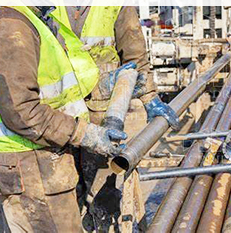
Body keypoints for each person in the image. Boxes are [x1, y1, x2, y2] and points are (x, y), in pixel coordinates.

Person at [0, 6, 178, 232]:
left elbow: (62, 81)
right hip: (34, 158)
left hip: (72, 134)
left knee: (100, 197)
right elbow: (22, 109)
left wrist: (114, 87)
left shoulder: (40, 15)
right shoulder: (14, 22)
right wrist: (84, 133)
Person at [51, 6, 180, 230]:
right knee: (63, 191)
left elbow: (134, 53)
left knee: (101, 189)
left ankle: (104, 225)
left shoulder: (115, 4)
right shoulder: (45, 6)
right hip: (59, 115)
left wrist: (149, 97)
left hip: (103, 115)